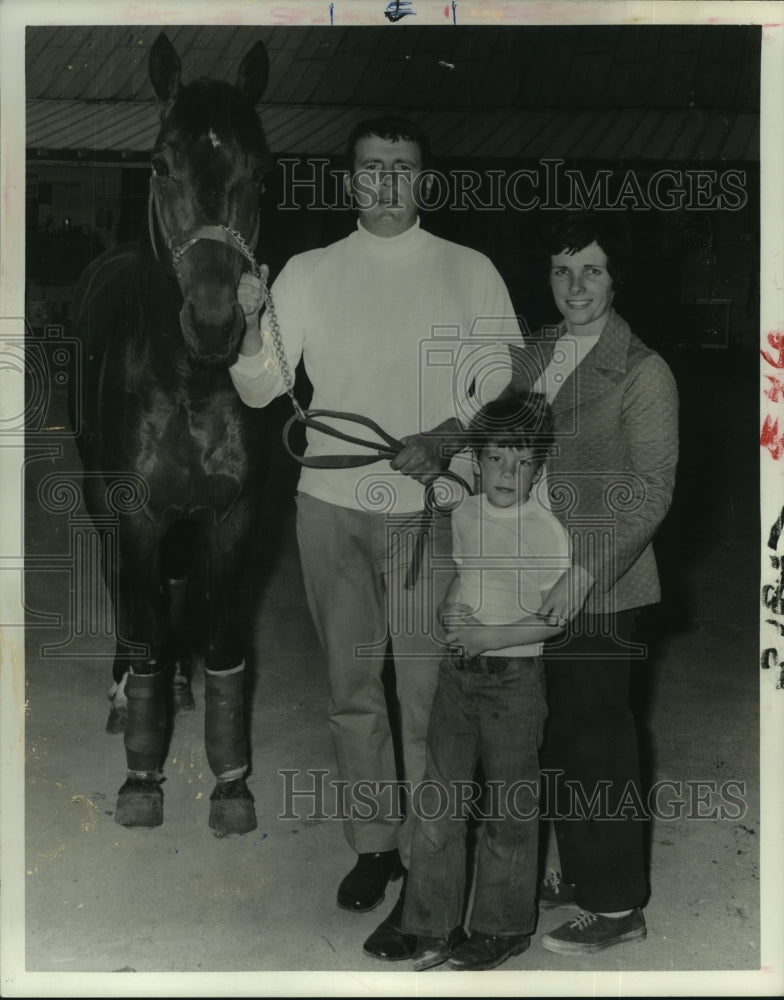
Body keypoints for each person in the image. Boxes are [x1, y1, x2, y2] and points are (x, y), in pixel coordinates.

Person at [230, 117, 520, 960]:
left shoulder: (468, 270)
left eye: (402, 167)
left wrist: (446, 434)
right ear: (349, 181)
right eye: (370, 167)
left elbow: (502, 384)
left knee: (428, 696)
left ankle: (434, 867)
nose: (386, 180)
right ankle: (375, 845)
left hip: (429, 505)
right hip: (329, 504)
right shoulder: (310, 272)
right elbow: (259, 389)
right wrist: (253, 322)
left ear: (424, 179)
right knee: (351, 686)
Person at [526, 210, 679, 954]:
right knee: (556, 737)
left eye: (591, 269)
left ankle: (618, 903)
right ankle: (579, 870)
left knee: (600, 741)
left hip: (604, 586)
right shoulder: (536, 352)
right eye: (561, 270)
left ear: (618, 278)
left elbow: (651, 493)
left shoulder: (644, 371)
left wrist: (585, 572)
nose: (575, 285)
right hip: (533, 577)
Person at [399, 394, 570, 972]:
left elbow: (552, 618)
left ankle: (502, 926)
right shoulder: (465, 513)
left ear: (539, 468)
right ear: (476, 459)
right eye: (496, 459)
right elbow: (467, 575)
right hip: (458, 675)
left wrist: (489, 639)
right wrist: (451, 612)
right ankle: (430, 922)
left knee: (509, 807)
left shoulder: (547, 531)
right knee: (439, 800)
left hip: (513, 680)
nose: (506, 474)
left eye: (522, 463)